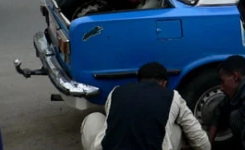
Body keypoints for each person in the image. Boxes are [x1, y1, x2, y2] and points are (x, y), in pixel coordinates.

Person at [80, 62, 210, 150]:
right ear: (164, 83)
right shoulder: (173, 96)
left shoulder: (116, 92)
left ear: (139, 81)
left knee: (95, 118)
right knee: (176, 128)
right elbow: (198, 136)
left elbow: (114, 124)